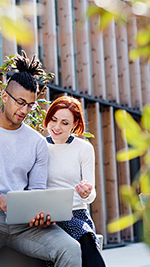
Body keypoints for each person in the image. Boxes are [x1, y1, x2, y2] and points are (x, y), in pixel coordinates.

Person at [0, 52, 81, 267]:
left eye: (30, 105)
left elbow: (37, 190)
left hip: (24, 224)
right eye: (20, 102)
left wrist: (40, 214)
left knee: (71, 249)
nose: (24, 110)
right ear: (4, 96)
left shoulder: (37, 142)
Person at [44, 96, 106, 267]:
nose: (56, 127)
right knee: (83, 238)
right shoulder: (39, 146)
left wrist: (86, 192)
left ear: (75, 124)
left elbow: (91, 195)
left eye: (65, 123)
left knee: (84, 234)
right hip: (51, 217)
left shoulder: (84, 148)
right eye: (53, 119)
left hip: (78, 214)